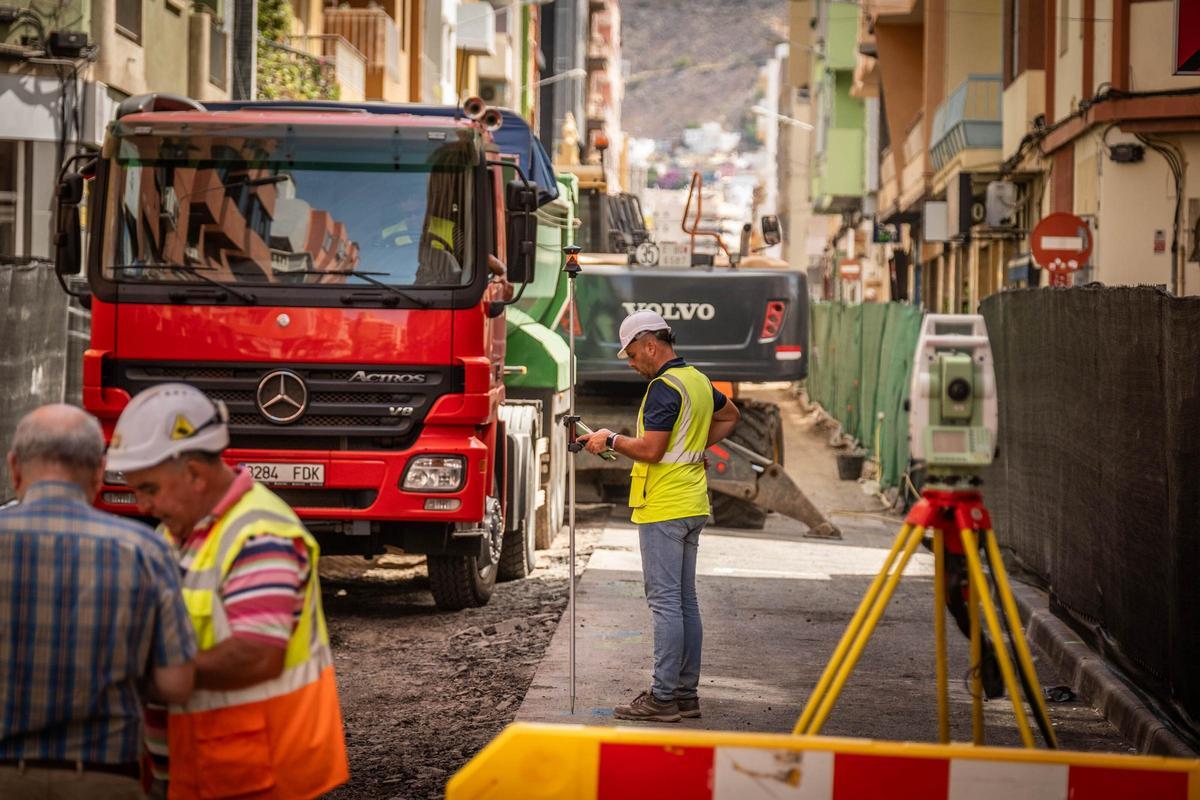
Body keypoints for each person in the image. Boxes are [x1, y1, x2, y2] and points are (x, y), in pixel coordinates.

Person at [105, 384, 349, 800]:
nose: (142, 506)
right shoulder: (177, 533)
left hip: (256, 775)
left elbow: (257, 655)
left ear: (195, 475)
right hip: (204, 769)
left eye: (149, 489)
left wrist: (146, 675)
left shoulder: (259, 535)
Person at [0, 404, 195, 799]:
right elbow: (177, 684)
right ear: (99, 473)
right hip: (104, 779)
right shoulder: (146, 551)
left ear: (14, 468)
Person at [577, 310, 740, 722]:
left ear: (651, 345)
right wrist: (694, 447)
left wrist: (609, 438)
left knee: (666, 603)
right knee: (684, 601)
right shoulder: (698, 381)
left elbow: (651, 450)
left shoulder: (664, 388)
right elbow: (730, 416)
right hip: (692, 504)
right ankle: (686, 695)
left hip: (664, 506)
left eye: (632, 354)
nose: (631, 363)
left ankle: (663, 697)